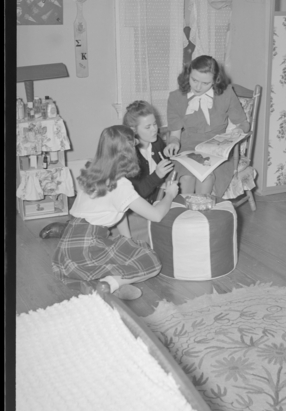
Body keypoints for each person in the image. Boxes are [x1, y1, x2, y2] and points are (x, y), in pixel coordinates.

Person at [52, 125, 179, 300]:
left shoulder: (92, 170)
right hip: (88, 247)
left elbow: (119, 209)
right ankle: (109, 284)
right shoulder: (121, 185)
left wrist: (127, 241)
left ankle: (104, 283)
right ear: (128, 152)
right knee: (153, 263)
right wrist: (170, 194)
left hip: (69, 245)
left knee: (129, 250)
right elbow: (156, 215)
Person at [165, 55, 250, 196]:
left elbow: (244, 124)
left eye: (205, 83)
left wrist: (238, 130)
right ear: (188, 74)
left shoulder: (226, 94)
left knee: (206, 178)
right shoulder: (176, 97)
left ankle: (202, 215)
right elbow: (175, 135)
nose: (198, 87)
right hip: (188, 148)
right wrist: (173, 143)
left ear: (215, 80)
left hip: (217, 150)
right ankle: (185, 215)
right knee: (186, 178)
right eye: (194, 80)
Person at [123, 100, 175, 204]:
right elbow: (135, 194)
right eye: (148, 127)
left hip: (158, 198)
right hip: (140, 206)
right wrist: (157, 175)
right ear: (134, 130)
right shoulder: (128, 154)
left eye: (154, 124)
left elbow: (168, 171)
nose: (154, 129)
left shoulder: (157, 142)